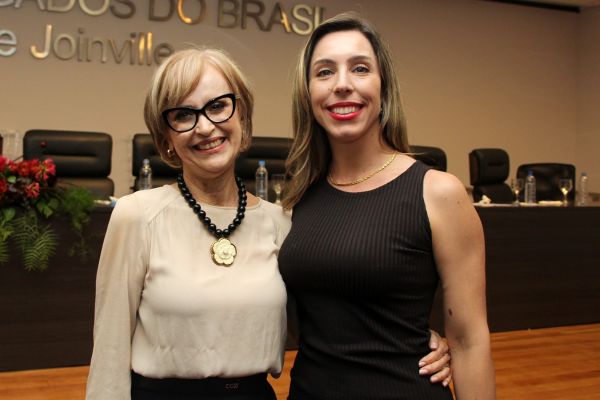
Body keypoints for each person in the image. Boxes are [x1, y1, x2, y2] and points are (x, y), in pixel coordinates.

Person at [86, 46, 450, 400]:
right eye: (183, 115)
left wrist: (416, 340)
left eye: (218, 106)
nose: (205, 127)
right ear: (166, 137)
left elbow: (328, 321)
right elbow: (109, 351)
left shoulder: (282, 222)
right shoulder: (137, 216)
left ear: (242, 118)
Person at [279, 12, 496, 400]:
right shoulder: (297, 200)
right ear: (308, 94)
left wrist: (417, 338)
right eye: (324, 72)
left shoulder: (438, 193)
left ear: (384, 88)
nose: (342, 84)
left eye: (360, 68)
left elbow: (469, 342)